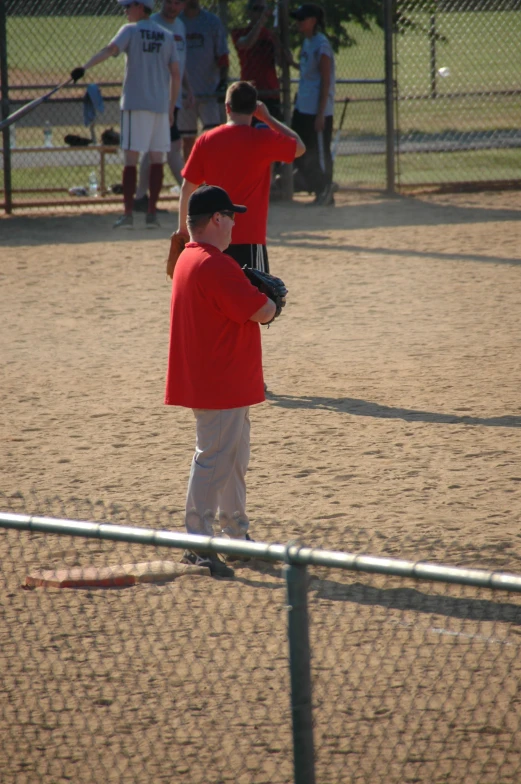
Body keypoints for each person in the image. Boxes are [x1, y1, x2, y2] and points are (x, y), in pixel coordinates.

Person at [165, 185, 279, 578]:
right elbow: (262, 311)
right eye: (230, 216)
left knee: (231, 459)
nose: (234, 224)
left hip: (220, 378)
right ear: (216, 219)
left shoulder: (189, 258)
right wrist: (272, 302)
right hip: (220, 382)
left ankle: (234, 536)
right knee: (214, 458)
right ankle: (197, 542)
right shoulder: (214, 263)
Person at [173, 80, 305, 272]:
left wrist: (184, 230)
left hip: (213, 238)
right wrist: (268, 118)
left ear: (227, 108)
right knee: (255, 298)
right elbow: (299, 147)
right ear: (254, 109)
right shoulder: (263, 140)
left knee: (217, 299)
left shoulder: (207, 140)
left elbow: (187, 188)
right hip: (250, 239)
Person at [71, 0, 180, 229]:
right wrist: (170, 108)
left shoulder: (130, 30)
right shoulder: (166, 35)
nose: (125, 10)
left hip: (135, 103)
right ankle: (151, 214)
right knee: (156, 158)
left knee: (131, 159)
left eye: (128, 6)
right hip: (159, 106)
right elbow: (176, 74)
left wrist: (85, 67)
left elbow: (110, 50)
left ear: (140, 7)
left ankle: (129, 213)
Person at [133, 0, 194, 217]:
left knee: (157, 148)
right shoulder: (151, 24)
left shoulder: (180, 27)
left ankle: (141, 198)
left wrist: (187, 89)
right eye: (169, 1)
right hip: (157, 98)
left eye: (178, 3)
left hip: (172, 99)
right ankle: (191, 196)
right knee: (170, 146)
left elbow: (179, 65)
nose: (172, 6)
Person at [289, 3, 336, 206]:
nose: (298, 22)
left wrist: (320, 114)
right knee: (297, 150)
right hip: (303, 108)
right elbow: (309, 71)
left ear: (313, 21)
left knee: (319, 152)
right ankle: (317, 186)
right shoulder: (307, 43)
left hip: (317, 111)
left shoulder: (321, 45)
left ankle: (326, 191)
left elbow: (325, 80)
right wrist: (292, 64)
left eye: (302, 19)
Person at [178, 0, 229, 161]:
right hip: (184, 94)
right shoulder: (176, 22)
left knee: (212, 137)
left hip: (209, 92)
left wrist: (222, 82)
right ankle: (191, 181)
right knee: (187, 140)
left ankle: (212, 179)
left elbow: (223, 56)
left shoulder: (211, 22)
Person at [231, 0, 283, 122]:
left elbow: (280, 62)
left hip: (270, 92)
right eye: (256, 9)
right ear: (249, 12)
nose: (260, 13)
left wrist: (278, 43)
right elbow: (246, 43)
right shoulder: (239, 32)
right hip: (249, 92)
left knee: (270, 134)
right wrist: (261, 22)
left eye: (263, 9)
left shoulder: (270, 34)